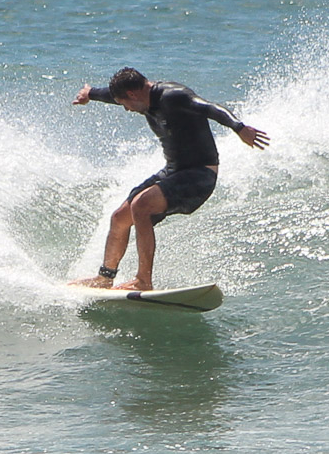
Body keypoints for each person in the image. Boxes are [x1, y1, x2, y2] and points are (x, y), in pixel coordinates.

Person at [70, 67, 269, 290]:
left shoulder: (174, 96)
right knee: (120, 217)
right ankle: (105, 278)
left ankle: (143, 281)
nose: (126, 109)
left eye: (125, 104)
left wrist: (239, 128)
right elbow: (111, 95)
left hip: (199, 175)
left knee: (141, 205)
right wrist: (90, 94)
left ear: (133, 95)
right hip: (173, 171)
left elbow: (212, 108)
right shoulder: (139, 96)